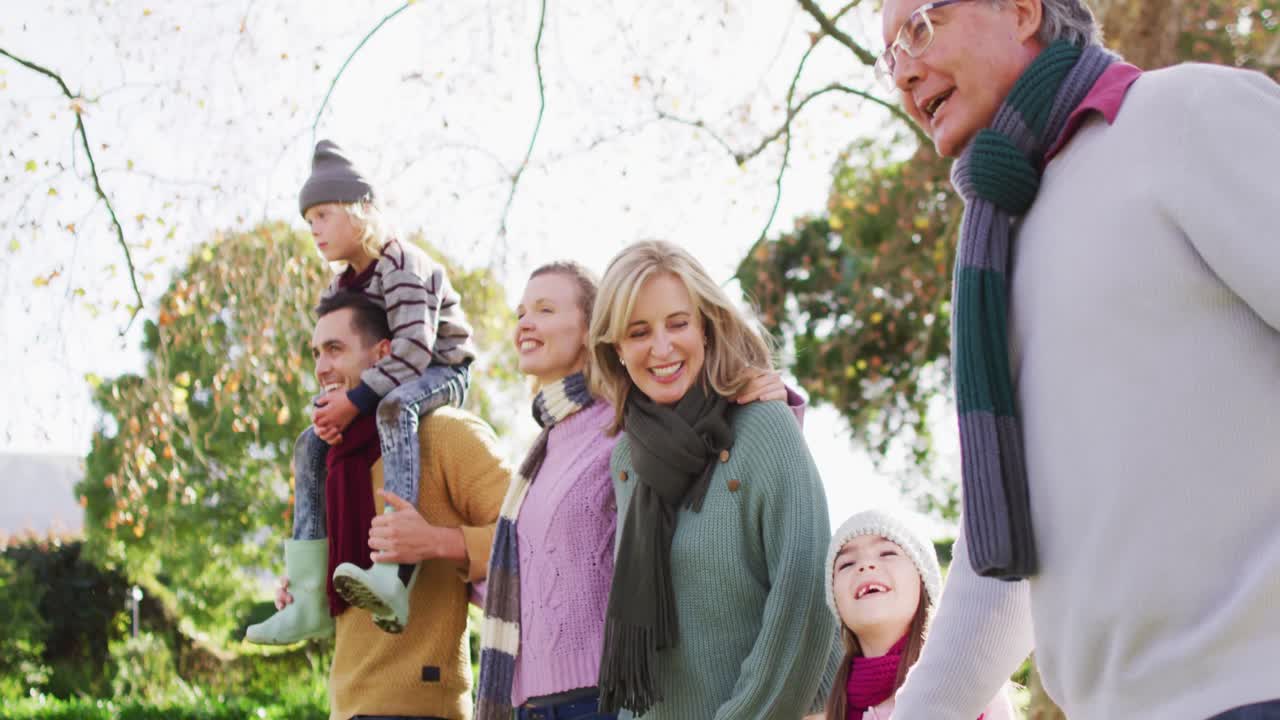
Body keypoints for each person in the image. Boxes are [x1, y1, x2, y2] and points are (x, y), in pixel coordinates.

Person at [873, 0, 1280, 718]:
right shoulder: (998, 252)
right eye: (888, 57)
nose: (903, 72)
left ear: (1023, 11)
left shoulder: (1179, 116)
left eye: (918, 28)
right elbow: (1001, 555)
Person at [473, 261, 796, 720]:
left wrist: (771, 404)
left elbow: (711, 453)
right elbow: (549, 578)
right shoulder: (541, 449)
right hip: (529, 704)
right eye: (521, 312)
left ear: (592, 329)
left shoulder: (627, 422)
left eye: (544, 310)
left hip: (602, 698)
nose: (525, 322)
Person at [588, 239, 833, 719]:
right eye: (639, 332)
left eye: (677, 323)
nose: (662, 348)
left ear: (705, 326)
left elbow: (805, 593)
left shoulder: (763, 423)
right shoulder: (625, 456)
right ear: (616, 348)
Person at [247, 140, 475, 643]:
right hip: (383, 379)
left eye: (324, 215)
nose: (314, 229)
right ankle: (308, 595)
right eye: (309, 220)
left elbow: (416, 349)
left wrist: (354, 403)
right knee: (310, 442)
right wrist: (330, 411)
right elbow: (336, 360)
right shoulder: (336, 289)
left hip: (441, 370)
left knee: (395, 409)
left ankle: (391, 570)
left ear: (361, 211)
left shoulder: (404, 265)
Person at [272, 291, 509, 720]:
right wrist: (308, 588)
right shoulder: (335, 460)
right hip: (346, 707)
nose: (321, 366)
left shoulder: (448, 435)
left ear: (384, 354)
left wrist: (439, 542)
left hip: (424, 706)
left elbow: (535, 539)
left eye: (335, 349)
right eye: (315, 352)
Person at [817, 509, 1012, 719]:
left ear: (923, 581)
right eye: (846, 564)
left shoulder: (968, 680)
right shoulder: (828, 710)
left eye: (887, 553)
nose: (865, 566)